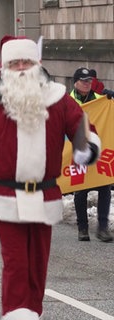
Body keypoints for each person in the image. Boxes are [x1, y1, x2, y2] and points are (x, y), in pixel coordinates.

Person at [0, 37, 101, 320]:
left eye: (25, 62)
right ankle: (16, 313)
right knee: (16, 261)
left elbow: (81, 126)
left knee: (38, 264)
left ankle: (33, 312)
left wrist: (85, 147)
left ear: (37, 64)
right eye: (14, 63)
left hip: (45, 194)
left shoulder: (57, 97)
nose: (20, 68)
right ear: (4, 68)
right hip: (6, 196)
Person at [69, 67, 112, 242]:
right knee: (80, 191)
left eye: (88, 81)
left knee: (105, 186)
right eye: (83, 81)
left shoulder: (100, 100)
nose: (86, 84)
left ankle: (102, 227)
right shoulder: (68, 101)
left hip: (98, 150)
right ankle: (83, 228)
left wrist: (111, 97)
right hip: (78, 151)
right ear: (75, 82)